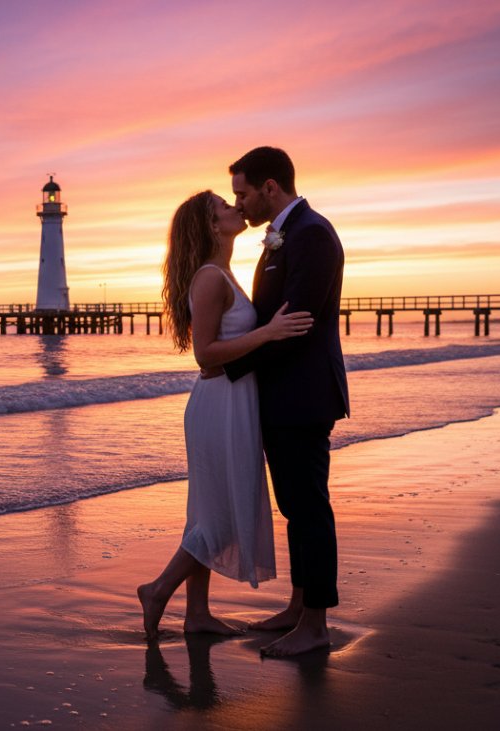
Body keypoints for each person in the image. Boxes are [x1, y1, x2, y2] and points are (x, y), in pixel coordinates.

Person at [137, 190, 313, 640]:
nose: (237, 207)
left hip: (230, 401)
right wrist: (270, 333)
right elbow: (206, 355)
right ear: (212, 226)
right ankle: (157, 590)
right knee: (219, 519)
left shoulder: (221, 273)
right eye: (224, 206)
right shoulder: (211, 278)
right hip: (220, 403)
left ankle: (197, 614)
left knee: (208, 512)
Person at [222, 146, 350, 657]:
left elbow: (296, 326)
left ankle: (315, 624)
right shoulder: (284, 236)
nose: (242, 203)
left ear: (270, 187)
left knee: (308, 507)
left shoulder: (311, 235)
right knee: (294, 506)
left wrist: (228, 366)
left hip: (303, 393)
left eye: (243, 192)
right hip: (282, 394)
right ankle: (298, 606)